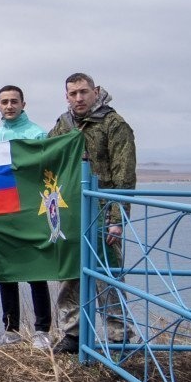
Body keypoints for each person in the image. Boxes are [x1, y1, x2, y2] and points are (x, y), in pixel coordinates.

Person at [47, 73, 136, 355]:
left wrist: (117, 220)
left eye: (83, 92)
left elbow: (124, 176)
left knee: (107, 275)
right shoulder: (63, 124)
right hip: (71, 212)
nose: (79, 98)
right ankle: (72, 334)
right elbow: (48, 158)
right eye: (73, 94)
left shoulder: (114, 124)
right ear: (66, 96)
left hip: (102, 212)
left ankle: (118, 335)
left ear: (95, 92)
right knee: (70, 274)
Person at [0, 85, 52, 350]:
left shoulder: (38, 134)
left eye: (14, 101)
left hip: (32, 212)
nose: (9, 106)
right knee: (7, 272)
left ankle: (42, 330)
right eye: (4, 102)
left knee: (37, 271)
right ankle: (10, 330)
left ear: (24, 104)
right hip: (2, 214)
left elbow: (47, 172)